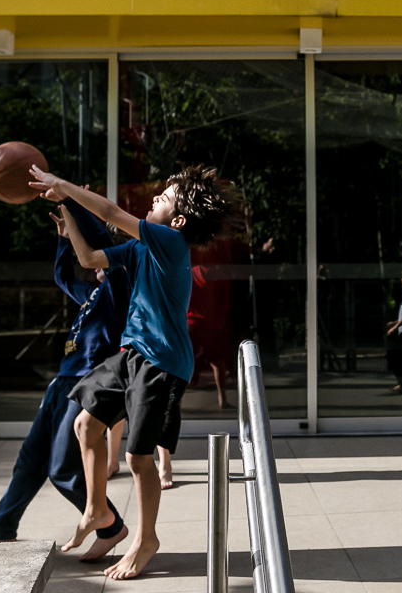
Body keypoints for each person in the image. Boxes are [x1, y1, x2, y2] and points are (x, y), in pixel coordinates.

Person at [29, 164, 246, 580]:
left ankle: (146, 539)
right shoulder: (142, 248)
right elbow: (89, 258)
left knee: (137, 456)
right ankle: (95, 508)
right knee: (85, 426)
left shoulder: (169, 242)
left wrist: (66, 189)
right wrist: (69, 217)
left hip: (162, 364)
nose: (153, 200)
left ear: (178, 220)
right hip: (131, 355)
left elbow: (110, 212)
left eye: (162, 199)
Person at [0, 198, 129, 560]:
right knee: (30, 459)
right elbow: (64, 276)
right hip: (60, 385)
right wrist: (65, 236)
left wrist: (74, 206)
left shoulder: (117, 292)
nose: (88, 257)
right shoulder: (91, 295)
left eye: (92, 251)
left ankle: (111, 525)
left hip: (85, 385)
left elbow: (106, 249)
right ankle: (1, 530)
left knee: (64, 469)